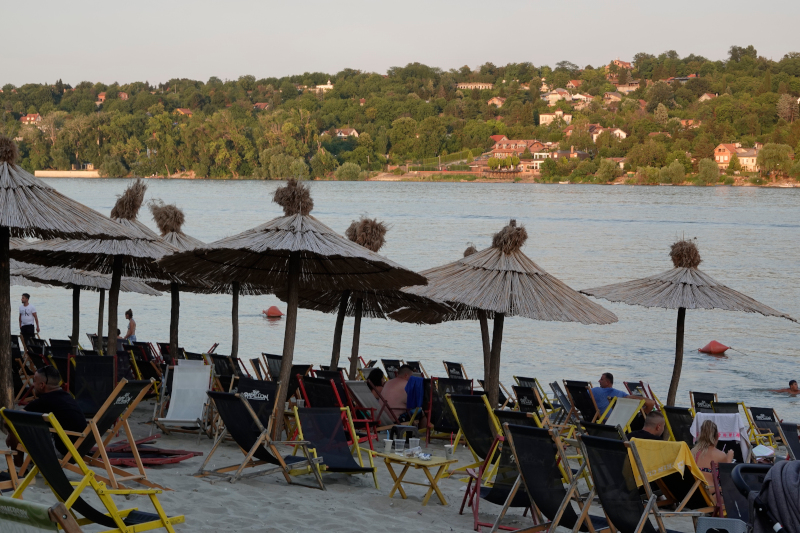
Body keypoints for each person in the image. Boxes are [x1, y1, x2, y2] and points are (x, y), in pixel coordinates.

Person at [5, 366, 87, 462]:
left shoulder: (44, 402)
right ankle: (29, 464)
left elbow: (10, 420)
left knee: (15, 427)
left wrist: (10, 436)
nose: (33, 384)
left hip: (63, 451)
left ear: (42, 385)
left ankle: (18, 469)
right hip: (81, 449)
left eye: (34, 381)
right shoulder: (67, 397)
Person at [691, 420, 734, 496]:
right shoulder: (720, 455)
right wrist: (729, 459)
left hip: (692, 494)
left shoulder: (693, 452)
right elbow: (727, 479)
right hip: (710, 495)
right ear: (717, 436)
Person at [591, 373, 655, 415]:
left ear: (607, 382)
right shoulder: (620, 394)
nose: (599, 381)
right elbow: (651, 403)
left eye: (601, 379)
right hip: (617, 422)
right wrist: (631, 397)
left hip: (598, 420)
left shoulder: (595, 391)